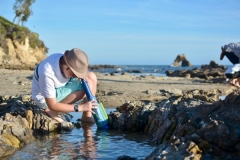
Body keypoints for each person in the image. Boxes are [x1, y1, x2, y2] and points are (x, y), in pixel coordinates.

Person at [31, 48, 98, 129]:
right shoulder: (47, 73)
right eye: (75, 74)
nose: (77, 76)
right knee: (85, 89)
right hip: (45, 100)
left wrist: (81, 76)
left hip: (59, 87)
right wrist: (80, 107)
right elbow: (52, 104)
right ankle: (52, 111)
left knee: (91, 77)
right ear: (67, 68)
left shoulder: (65, 58)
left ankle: (86, 116)